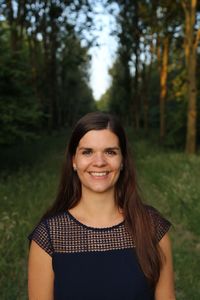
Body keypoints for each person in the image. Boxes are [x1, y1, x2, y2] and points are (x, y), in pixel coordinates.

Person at [28, 111, 176, 300]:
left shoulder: (152, 226)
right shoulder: (49, 236)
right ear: (74, 161)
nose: (99, 162)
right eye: (87, 152)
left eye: (110, 152)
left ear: (122, 161)